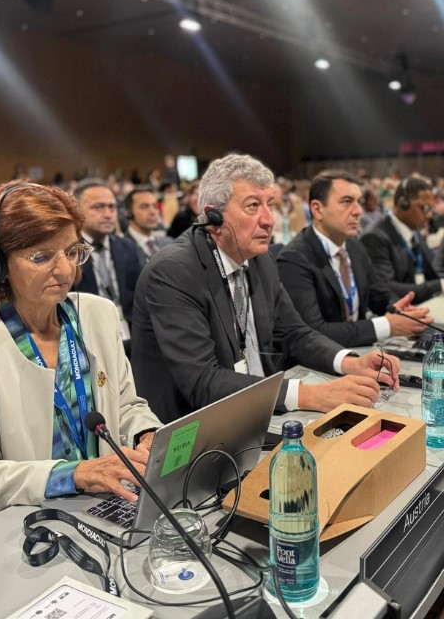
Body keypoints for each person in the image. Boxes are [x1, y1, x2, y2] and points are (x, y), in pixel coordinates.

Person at [0, 181, 161, 535]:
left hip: (104, 503)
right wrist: (75, 474)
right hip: (14, 522)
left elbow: (127, 406)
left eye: (72, 252)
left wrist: (147, 435)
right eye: (41, 257)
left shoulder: (98, 315)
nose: (66, 270)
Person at [131, 154, 400, 424]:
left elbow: (294, 332)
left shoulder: (260, 259)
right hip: (196, 429)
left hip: (261, 412)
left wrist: (349, 361)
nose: (269, 219)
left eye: (269, 204)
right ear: (214, 218)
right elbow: (204, 381)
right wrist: (311, 395)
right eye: (252, 206)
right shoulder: (174, 271)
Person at [277, 170, 432, 347]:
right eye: (346, 202)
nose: (358, 211)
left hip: (362, 350)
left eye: (358, 201)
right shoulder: (294, 259)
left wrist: (399, 310)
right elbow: (312, 332)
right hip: (322, 360)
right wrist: (386, 326)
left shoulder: (354, 246)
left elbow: (379, 295)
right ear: (317, 209)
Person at [363, 176, 444, 304]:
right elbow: (387, 289)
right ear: (403, 204)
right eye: (424, 208)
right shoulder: (375, 237)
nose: (429, 215)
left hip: (421, 305)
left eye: (431, 209)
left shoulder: (415, 233)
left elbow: (432, 274)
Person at [71, 177, 142, 328]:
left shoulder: (128, 247)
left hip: (128, 331)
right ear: (76, 211)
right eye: (98, 207)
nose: (108, 214)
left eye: (112, 207)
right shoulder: (69, 253)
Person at [124, 185, 172, 269]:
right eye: (144, 207)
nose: (153, 212)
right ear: (129, 213)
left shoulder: (169, 243)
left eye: (155, 206)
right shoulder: (120, 249)